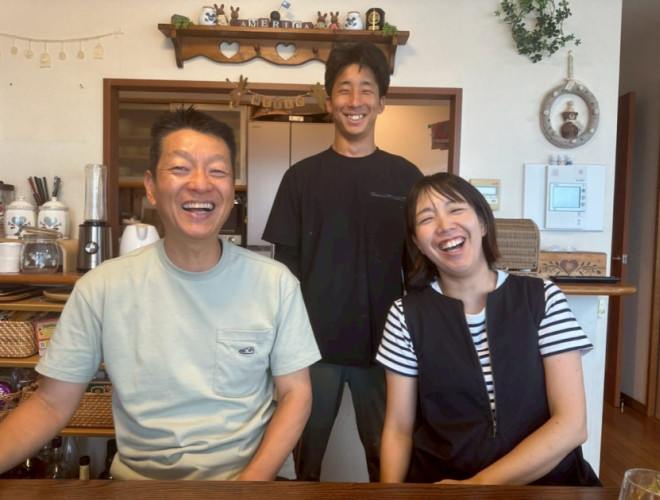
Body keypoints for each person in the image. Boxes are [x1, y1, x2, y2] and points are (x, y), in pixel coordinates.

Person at [0, 106, 321, 481]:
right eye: (180, 168)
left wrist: (248, 486)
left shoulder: (275, 283)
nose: (200, 183)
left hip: (252, 480)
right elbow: (50, 403)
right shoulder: (102, 287)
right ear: (151, 187)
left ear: (232, 189)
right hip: (141, 484)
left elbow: (296, 394)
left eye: (217, 171)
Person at [376, 172, 602, 486]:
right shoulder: (405, 315)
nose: (444, 225)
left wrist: (475, 488)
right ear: (417, 243)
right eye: (426, 218)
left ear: (482, 223)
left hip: (546, 484)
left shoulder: (542, 298)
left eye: (456, 209)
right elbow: (398, 429)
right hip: (443, 485)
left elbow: (572, 424)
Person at [262, 42, 423, 482]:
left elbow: (419, 270)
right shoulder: (300, 178)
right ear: (329, 100)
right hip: (311, 350)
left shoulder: (406, 177)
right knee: (300, 463)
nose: (355, 100)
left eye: (366, 89)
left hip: (386, 350)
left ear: (381, 102)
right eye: (344, 89)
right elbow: (283, 274)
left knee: (389, 464)